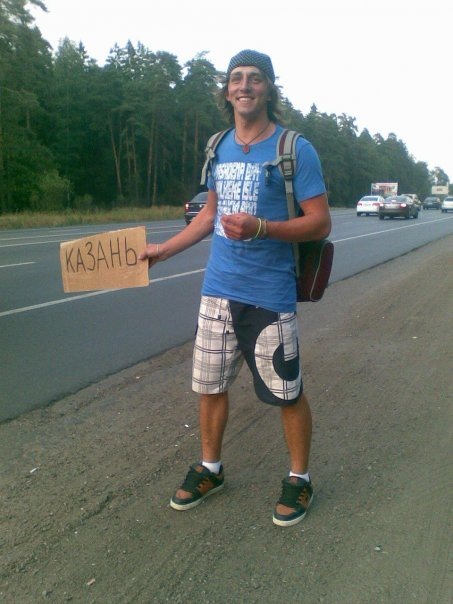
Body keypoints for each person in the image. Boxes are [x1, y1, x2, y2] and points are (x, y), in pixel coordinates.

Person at [139, 49, 331, 527]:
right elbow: (209, 215)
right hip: (217, 291)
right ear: (226, 91)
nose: (244, 86)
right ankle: (211, 469)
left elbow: (320, 222)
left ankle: (300, 478)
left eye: (255, 78)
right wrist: (164, 250)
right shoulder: (217, 145)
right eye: (236, 78)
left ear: (269, 88)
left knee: (286, 392)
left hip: (270, 295)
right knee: (210, 387)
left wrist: (263, 228)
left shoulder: (294, 148)